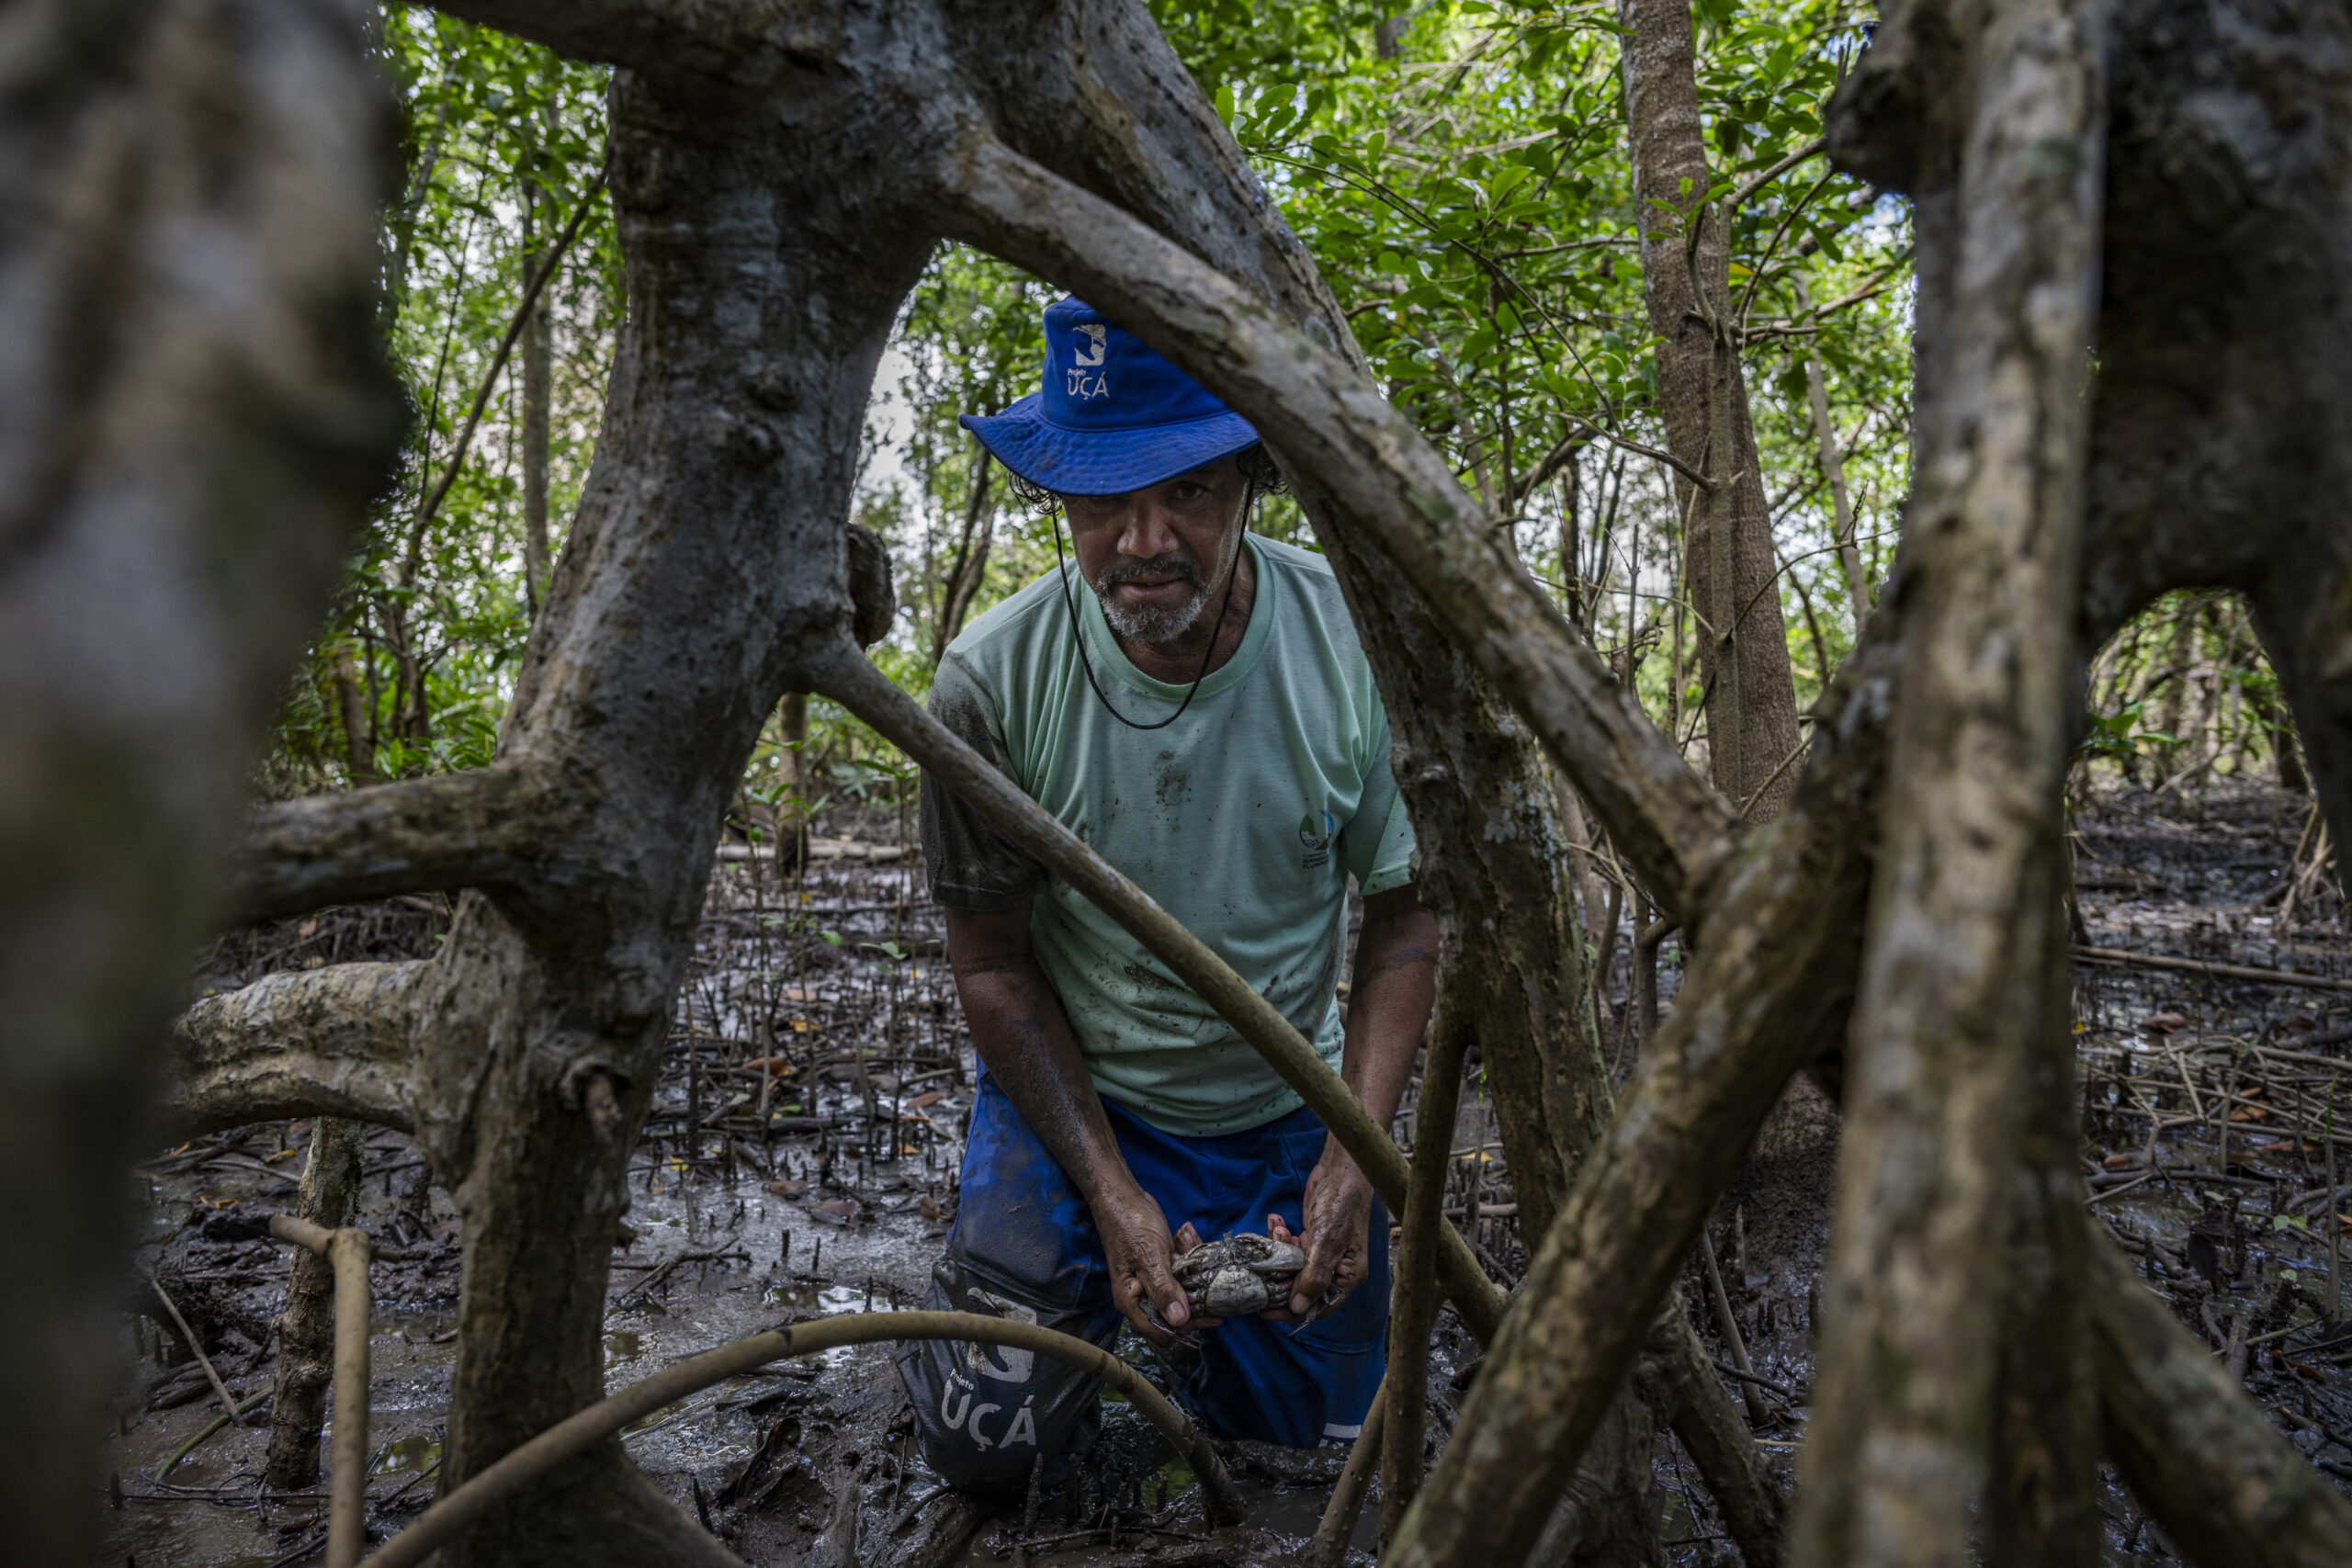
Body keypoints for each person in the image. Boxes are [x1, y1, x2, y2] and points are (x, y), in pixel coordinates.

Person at [898, 296, 1438, 1490]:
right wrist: (1110, 1189)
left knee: (1321, 1460)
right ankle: (1052, 1280)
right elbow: (991, 964)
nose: (1143, 542)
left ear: (1251, 480)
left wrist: (1355, 1158)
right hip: (1085, 1101)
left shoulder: (1352, 640)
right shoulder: (990, 681)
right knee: (988, 1449)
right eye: (1102, 498)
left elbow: (1408, 918)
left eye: (1187, 490)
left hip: (1288, 1101)